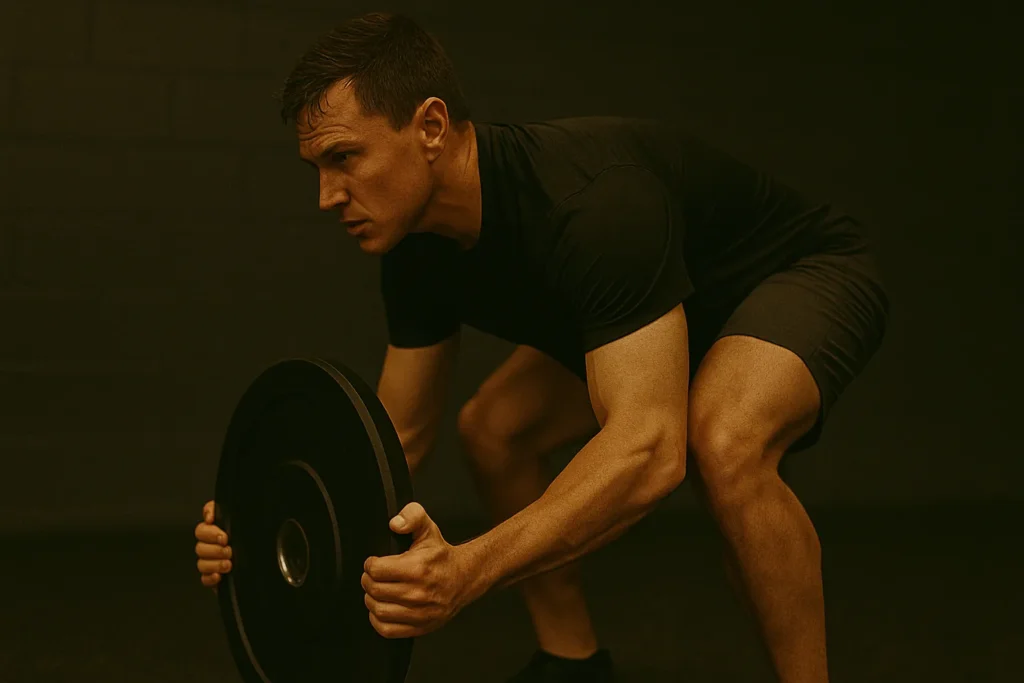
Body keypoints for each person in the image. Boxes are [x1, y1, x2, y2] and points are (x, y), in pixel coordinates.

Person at [194, 11, 889, 683]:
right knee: (495, 430)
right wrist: (255, 527)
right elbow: (394, 439)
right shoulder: (416, 250)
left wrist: (467, 570)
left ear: (430, 126)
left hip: (801, 272)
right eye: (316, 167)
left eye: (344, 158)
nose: (325, 196)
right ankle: (573, 659)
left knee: (724, 437)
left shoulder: (589, 203)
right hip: (653, 314)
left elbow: (649, 451)